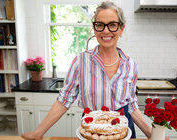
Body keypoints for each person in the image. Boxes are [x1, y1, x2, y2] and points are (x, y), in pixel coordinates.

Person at [22, 1, 151, 140]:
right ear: (94, 29)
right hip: (92, 130)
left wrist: (151, 134)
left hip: (122, 131)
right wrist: (38, 133)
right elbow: (64, 100)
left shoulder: (130, 65)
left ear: (121, 29)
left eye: (112, 25)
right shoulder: (81, 61)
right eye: (100, 25)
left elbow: (131, 104)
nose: (105, 31)